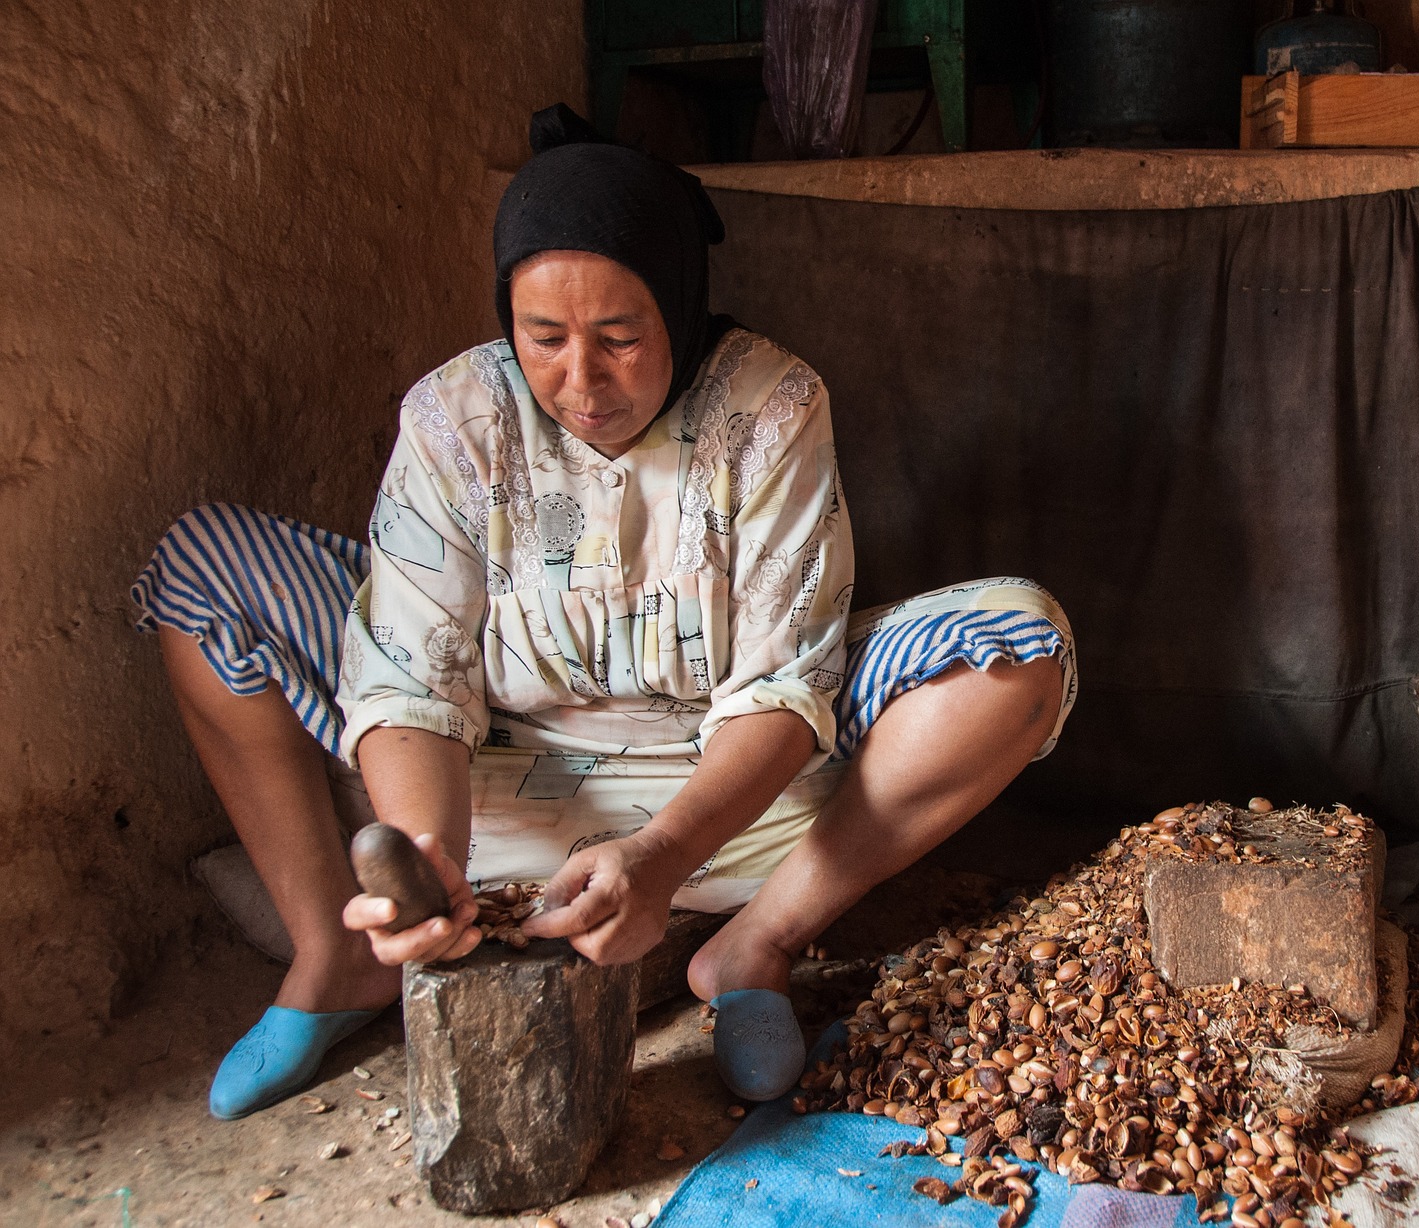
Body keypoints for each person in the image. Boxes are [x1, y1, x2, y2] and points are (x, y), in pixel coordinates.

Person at [132, 105, 1074, 1120]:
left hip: (728, 802)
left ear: (678, 303)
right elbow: (413, 674)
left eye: (621, 338)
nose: (579, 382)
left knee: (1021, 643)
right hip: (491, 785)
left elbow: (781, 680)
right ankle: (337, 954)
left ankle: (755, 942)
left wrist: (661, 859)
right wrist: (428, 856)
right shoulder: (456, 416)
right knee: (205, 567)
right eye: (543, 339)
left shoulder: (767, 405)